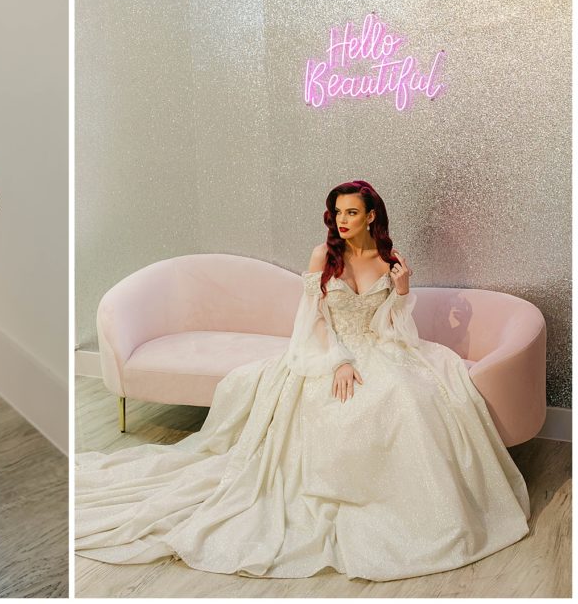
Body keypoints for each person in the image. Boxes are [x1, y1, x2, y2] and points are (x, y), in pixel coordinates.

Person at [75, 180, 530, 581]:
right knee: (341, 402)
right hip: (327, 349)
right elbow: (311, 321)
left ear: (372, 216)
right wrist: (337, 361)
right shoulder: (322, 256)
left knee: (410, 397)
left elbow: (394, 329)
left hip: (378, 348)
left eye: (352, 212)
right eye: (337, 212)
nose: (342, 220)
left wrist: (404, 290)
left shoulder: (390, 259)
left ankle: (414, 509)